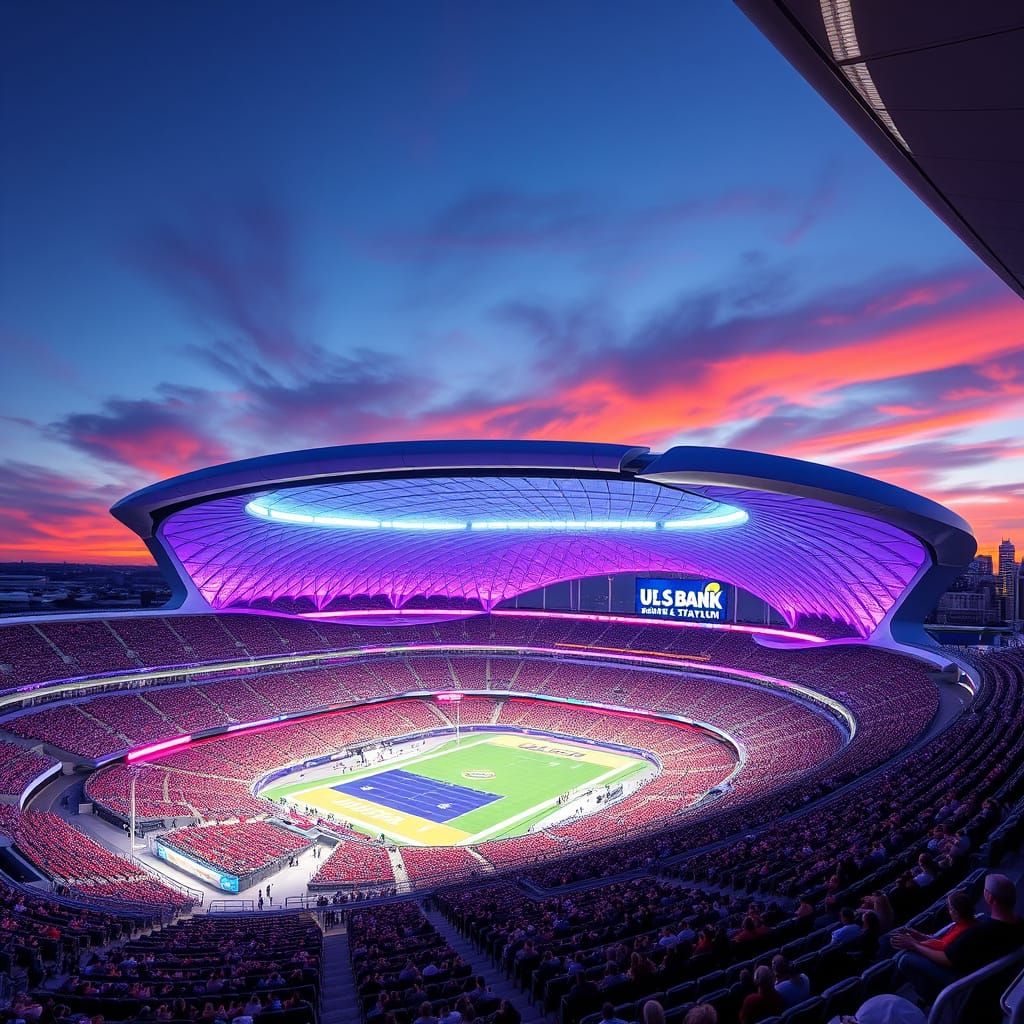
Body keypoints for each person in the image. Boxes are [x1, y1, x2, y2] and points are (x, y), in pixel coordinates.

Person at [893, 873, 1024, 1002]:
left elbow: (947, 959)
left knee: (905, 958)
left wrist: (914, 944)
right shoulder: (1019, 923)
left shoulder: (979, 932)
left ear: (989, 897)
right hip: (993, 976)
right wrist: (920, 938)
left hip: (965, 982)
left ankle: (932, 998)